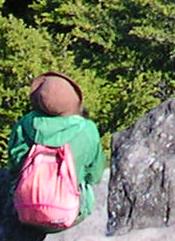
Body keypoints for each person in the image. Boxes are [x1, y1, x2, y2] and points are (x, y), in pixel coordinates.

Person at [6, 72, 106, 223]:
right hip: (70, 212)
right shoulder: (87, 128)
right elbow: (95, 175)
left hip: (24, 208)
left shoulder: (24, 124)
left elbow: (14, 167)